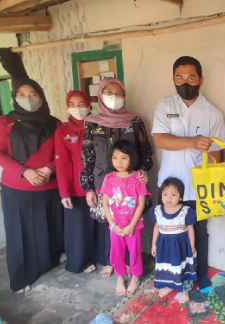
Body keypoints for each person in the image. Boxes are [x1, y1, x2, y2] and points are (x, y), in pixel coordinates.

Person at [152, 56, 225, 292]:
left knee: (198, 234)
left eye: (191, 77)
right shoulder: (165, 106)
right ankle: (169, 276)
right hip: (169, 186)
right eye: (179, 78)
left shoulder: (212, 114)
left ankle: (200, 275)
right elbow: (160, 139)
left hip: (198, 187)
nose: (185, 82)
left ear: (200, 80)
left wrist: (213, 185)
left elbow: (217, 153)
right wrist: (192, 142)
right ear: (173, 80)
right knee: (167, 232)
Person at [0, 79, 63, 292]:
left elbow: (63, 153)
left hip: (50, 187)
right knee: (20, 233)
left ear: (41, 96)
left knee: (48, 228)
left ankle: (47, 263)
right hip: (18, 188)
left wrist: (50, 168)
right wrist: (25, 172)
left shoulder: (54, 124)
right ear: (14, 97)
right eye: (21, 94)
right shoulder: (4, 122)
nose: (28, 99)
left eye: (33, 94)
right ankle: (22, 276)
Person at [80, 78, 154, 278]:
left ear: (125, 96)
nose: (114, 97)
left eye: (118, 93)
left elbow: (145, 151)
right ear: (100, 96)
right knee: (109, 223)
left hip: (130, 185)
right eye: (108, 92)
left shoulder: (135, 121)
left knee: (131, 223)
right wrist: (88, 187)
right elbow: (87, 156)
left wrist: (143, 170)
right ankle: (111, 261)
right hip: (103, 183)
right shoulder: (92, 122)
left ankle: (132, 264)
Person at [55, 90, 96, 274]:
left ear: (89, 105)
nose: (78, 108)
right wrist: (64, 192)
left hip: (99, 185)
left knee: (98, 226)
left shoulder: (98, 124)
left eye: (81, 104)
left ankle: (101, 258)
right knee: (79, 229)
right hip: (76, 188)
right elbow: (62, 162)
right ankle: (81, 261)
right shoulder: (63, 130)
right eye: (73, 104)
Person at [101, 140, 148, 295]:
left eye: (123, 158)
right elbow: (105, 205)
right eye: (115, 158)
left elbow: (141, 204)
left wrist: (132, 226)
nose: (119, 162)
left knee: (134, 251)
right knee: (116, 252)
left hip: (133, 225)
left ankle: (135, 277)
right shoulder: (108, 178)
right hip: (115, 226)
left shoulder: (137, 178)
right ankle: (120, 277)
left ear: (131, 158)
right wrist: (112, 225)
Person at [150, 177, 197, 303]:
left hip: (182, 247)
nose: (168, 198)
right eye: (165, 194)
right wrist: (154, 244)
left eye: (173, 195)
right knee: (169, 268)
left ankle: (185, 290)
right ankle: (170, 285)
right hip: (164, 247)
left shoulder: (186, 212)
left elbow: (191, 229)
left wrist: (192, 246)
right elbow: (157, 227)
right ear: (161, 196)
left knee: (183, 268)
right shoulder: (158, 211)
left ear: (181, 197)